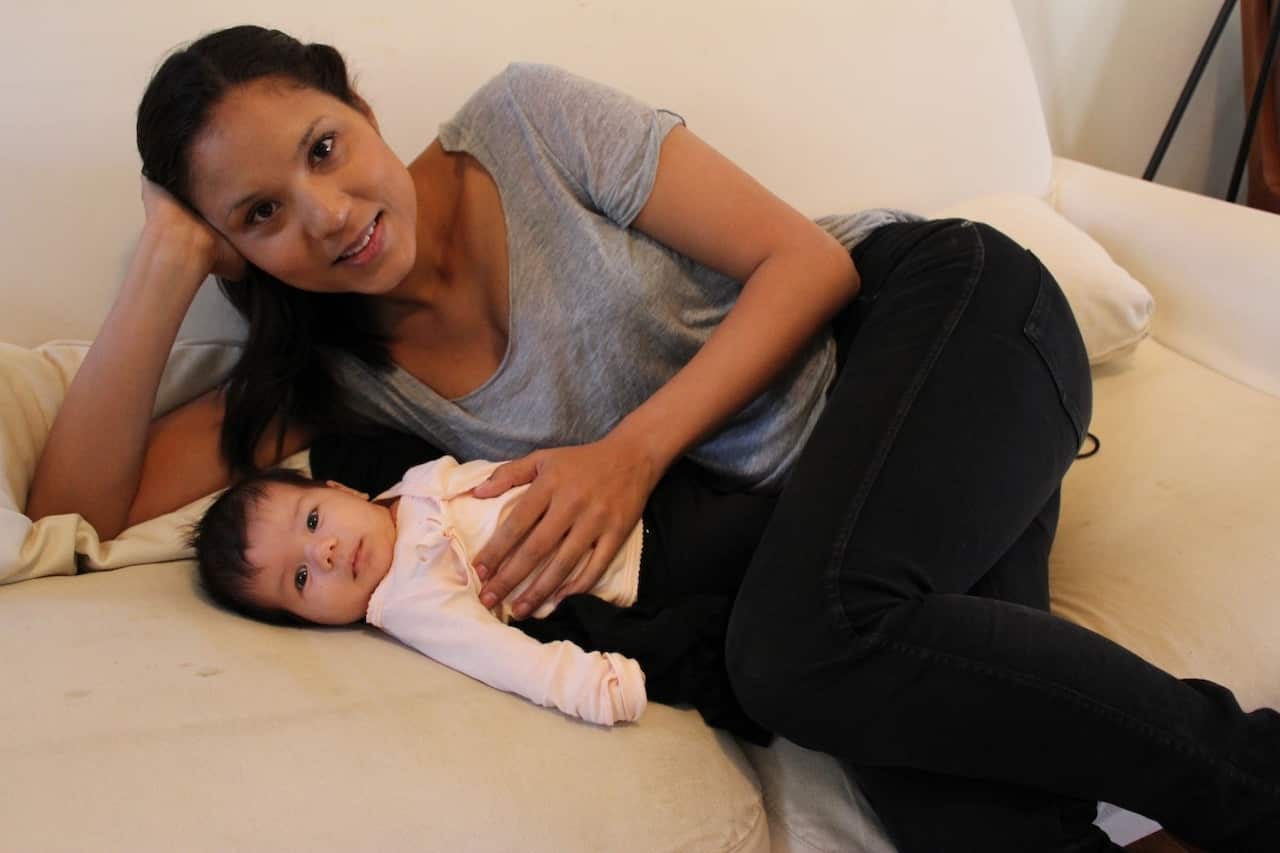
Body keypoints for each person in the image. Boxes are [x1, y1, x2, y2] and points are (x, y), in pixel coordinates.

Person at [23, 23, 1278, 851]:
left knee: (790, 651)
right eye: (261, 213)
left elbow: (805, 261)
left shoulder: (526, 122)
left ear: (356, 97)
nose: (330, 213)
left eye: (322, 148)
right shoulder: (330, 383)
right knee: (967, 825)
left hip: (936, 324)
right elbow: (74, 509)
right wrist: (167, 262)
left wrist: (627, 454)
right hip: (845, 530)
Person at [190, 436, 775, 741]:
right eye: (300, 579)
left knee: (779, 518)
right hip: (643, 563)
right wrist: (587, 686)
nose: (325, 552)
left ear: (341, 488)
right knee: (774, 547)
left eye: (314, 520)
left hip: (642, 499)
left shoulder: (408, 485)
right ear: (311, 622)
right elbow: (497, 657)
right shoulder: (408, 600)